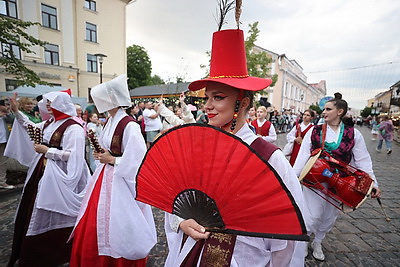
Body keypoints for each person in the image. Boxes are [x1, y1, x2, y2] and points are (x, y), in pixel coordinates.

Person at [165, 28, 305, 266]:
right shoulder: (198, 147)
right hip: (190, 253)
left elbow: (287, 237)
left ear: (243, 103)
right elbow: (175, 197)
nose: (208, 106)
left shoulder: (269, 158)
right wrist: (181, 221)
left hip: (244, 258)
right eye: (206, 97)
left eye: (218, 97)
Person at [70, 74, 156, 267]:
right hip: (105, 177)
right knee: (97, 221)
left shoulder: (129, 126)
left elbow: (139, 161)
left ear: (111, 99)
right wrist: (102, 154)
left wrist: (113, 160)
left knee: (116, 223)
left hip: (119, 181)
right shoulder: (110, 121)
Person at [293, 93, 381, 261]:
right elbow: (302, 157)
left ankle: (318, 241)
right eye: (323, 109)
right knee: (311, 214)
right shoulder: (314, 130)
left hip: (341, 183)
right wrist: (292, 179)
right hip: (315, 180)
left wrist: (373, 183)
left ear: (340, 111)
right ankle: (304, 240)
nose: (323, 112)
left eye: (328, 109)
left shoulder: (353, 134)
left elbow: (363, 159)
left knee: (329, 216)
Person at [6, 91, 90, 266]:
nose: (49, 105)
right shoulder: (51, 123)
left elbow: (73, 156)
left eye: (53, 102)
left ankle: (57, 253)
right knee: (34, 206)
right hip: (43, 171)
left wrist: (48, 151)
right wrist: (16, 111)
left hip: (61, 174)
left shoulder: (73, 127)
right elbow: (31, 127)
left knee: (52, 209)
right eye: (48, 102)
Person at [0, 100, 15, 189]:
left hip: (3, 141)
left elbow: (12, 120)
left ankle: (2, 182)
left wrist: (8, 111)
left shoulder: (5, 115)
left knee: (2, 163)